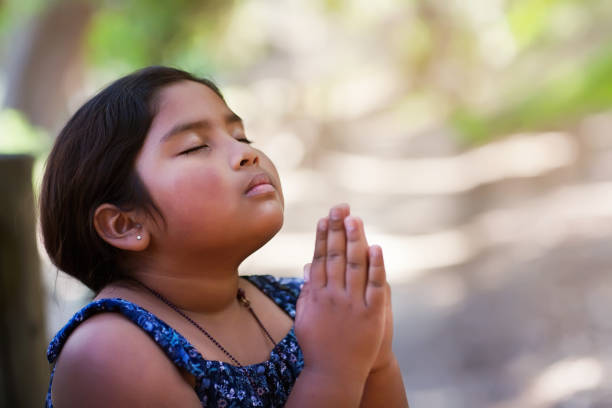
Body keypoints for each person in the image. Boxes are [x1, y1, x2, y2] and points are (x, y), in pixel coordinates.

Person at [40, 66, 408, 407]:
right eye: (196, 146)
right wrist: (333, 371)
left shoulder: (295, 304)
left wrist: (375, 359)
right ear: (125, 225)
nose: (247, 153)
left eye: (240, 135)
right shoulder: (108, 351)